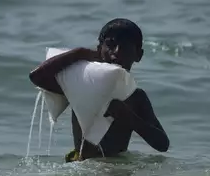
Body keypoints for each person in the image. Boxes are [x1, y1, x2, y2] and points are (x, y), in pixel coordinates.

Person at [29, 18, 170, 162]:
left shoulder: (136, 97)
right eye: (110, 45)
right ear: (99, 49)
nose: (116, 52)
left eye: (125, 47)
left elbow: (162, 144)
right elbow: (37, 77)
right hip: (82, 167)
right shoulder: (82, 86)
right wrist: (78, 53)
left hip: (115, 170)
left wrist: (130, 118)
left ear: (138, 55)